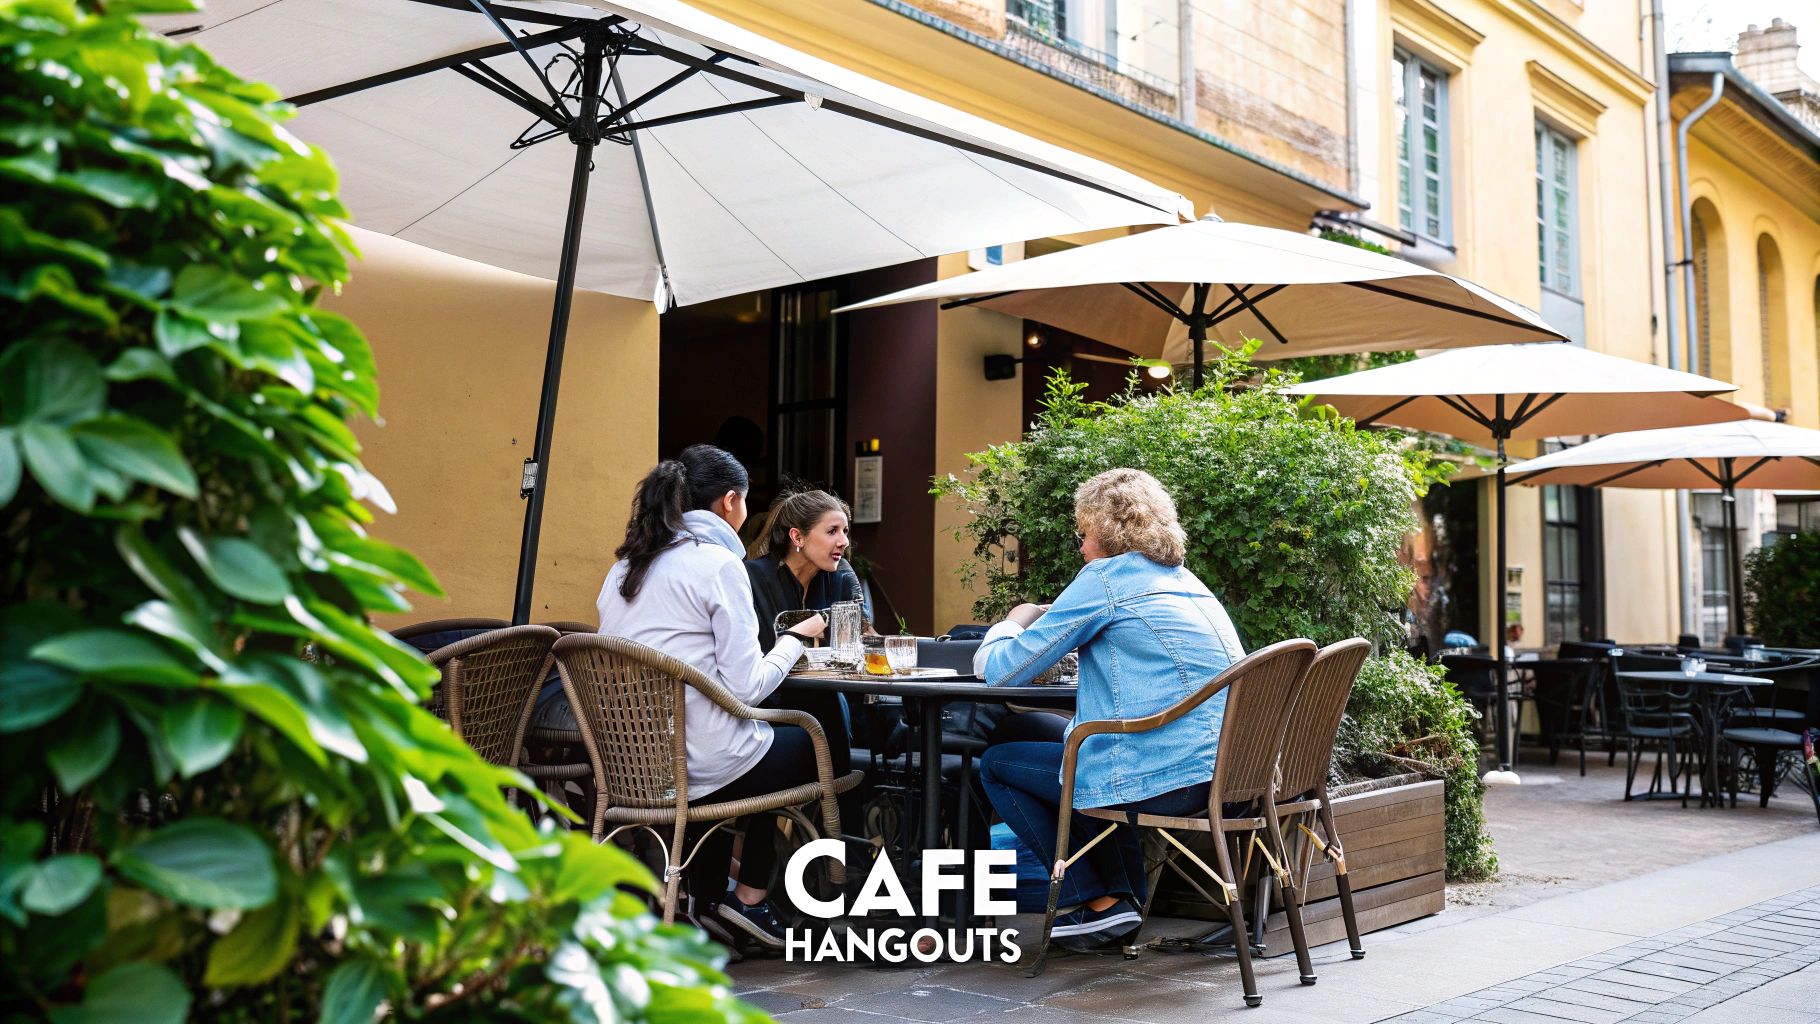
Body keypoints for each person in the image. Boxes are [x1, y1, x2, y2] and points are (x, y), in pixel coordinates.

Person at [974, 468, 1244, 950]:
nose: (1080, 547)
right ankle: (1116, 905)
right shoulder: (1185, 581)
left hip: (1166, 778)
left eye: (1083, 533)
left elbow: (1002, 670)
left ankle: (1089, 899)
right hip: (1231, 772)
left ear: (1104, 530)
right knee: (1071, 750)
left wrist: (1009, 623)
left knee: (999, 764)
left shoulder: (1105, 578)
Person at [594, 444, 827, 950]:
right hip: (698, 761)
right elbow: (746, 687)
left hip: (633, 763)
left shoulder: (624, 568)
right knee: (810, 740)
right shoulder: (718, 564)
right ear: (729, 503)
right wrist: (795, 639)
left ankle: (705, 900)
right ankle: (747, 899)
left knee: (756, 744)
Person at [744, 487, 863, 773]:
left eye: (845, 531)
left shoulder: (840, 580)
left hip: (826, 698)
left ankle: (833, 807)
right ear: (797, 537)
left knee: (833, 704)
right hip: (763, 705)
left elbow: (857, 644)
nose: (843, 541)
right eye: (832, 531)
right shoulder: (753, 578)